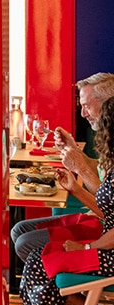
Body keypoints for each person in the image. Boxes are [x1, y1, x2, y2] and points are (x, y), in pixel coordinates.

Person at [21, 96, 114, 305]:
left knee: (41, 261)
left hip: (109, 251)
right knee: (42, 257)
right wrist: (75, 189)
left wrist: (87, 248)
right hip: (106, 244)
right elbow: (107, 208)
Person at [11, 72, 114, 262]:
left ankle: (59, 283)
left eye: (87, 106)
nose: (83, 114)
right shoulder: (107, 138)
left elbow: (109, 209)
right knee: (19, 230)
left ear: (108, 104)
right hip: (100, 219)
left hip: (103, 228)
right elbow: (101, 171)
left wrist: (80, 168)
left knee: (25, 242)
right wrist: (73, 150)